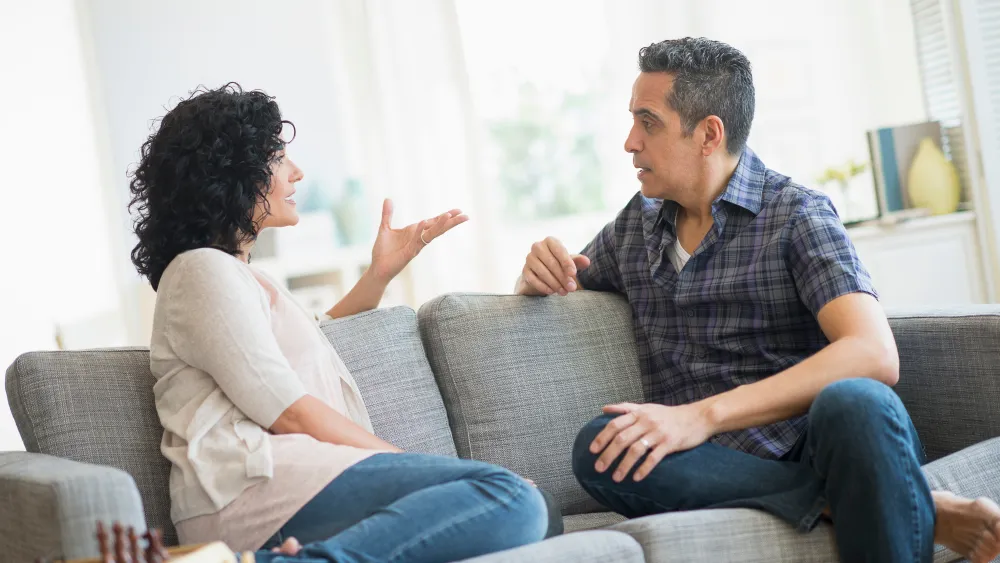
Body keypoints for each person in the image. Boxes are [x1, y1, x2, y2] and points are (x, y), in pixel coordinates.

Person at [516, 38, 1000, 563]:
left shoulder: (796, 215)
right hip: (711, 467)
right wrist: (536, 275)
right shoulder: (636, 225)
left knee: (856, 400)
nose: (630, 142)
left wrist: (699, 416)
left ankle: (870, 489)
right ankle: (913, 504)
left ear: (708, 133)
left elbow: (874, 353)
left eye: (648, 122)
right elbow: (567, 281)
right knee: (601, 444)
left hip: (823, 444)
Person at [130, 83, 551, 563]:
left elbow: (314, 335)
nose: (296, 172)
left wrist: (379, 275)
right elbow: (288, 410)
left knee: (539, 513)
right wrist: (415, 464)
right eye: (277, 157)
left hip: (299, 480)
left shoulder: (240, 276)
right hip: (249, 489)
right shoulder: (201, 271)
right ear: (231, 174)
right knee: (510, 497)